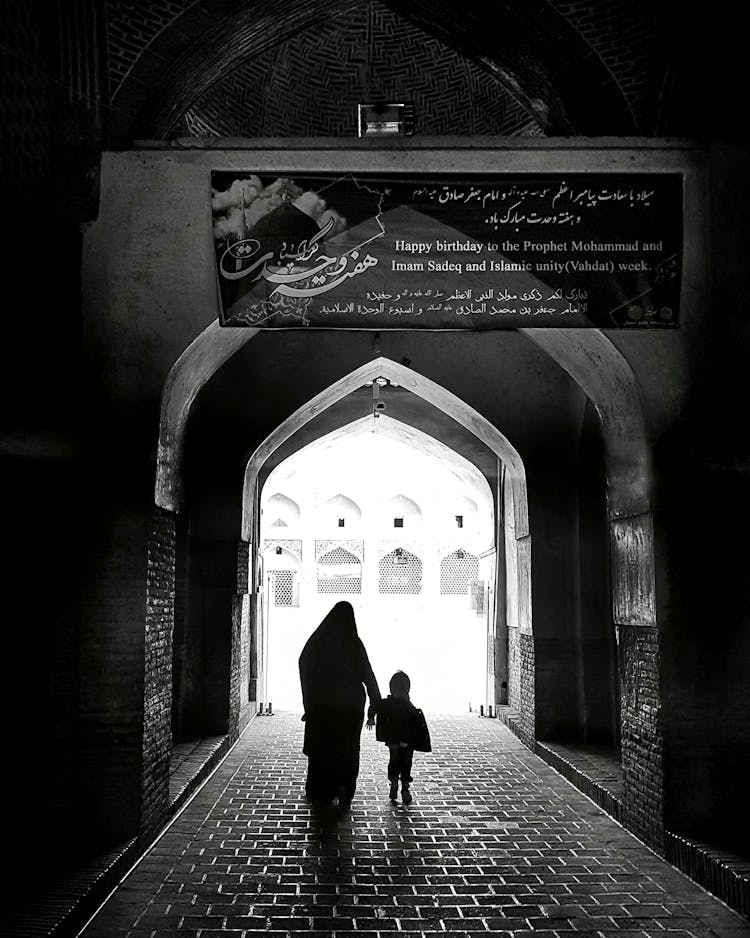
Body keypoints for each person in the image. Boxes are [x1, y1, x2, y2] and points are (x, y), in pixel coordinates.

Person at [298, 601, 381, 805]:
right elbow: (368, 675)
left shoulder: (318, 642)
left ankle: (322, 788)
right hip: (350, 708)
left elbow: (304, 662)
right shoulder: (354, 643)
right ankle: (345, 787)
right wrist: (375, 704)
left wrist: (309, 702)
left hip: (323, 707)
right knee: (349, 748)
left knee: (323, 747)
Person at [375, 670, 432, 804]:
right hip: (407, 741)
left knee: (394, 761)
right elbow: (415, 725)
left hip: (393, 740)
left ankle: (394, 782)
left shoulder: (387, 704)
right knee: (406, 763)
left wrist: (371, 717)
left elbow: (377, 708)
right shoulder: (409, 706)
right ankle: (405, 788)